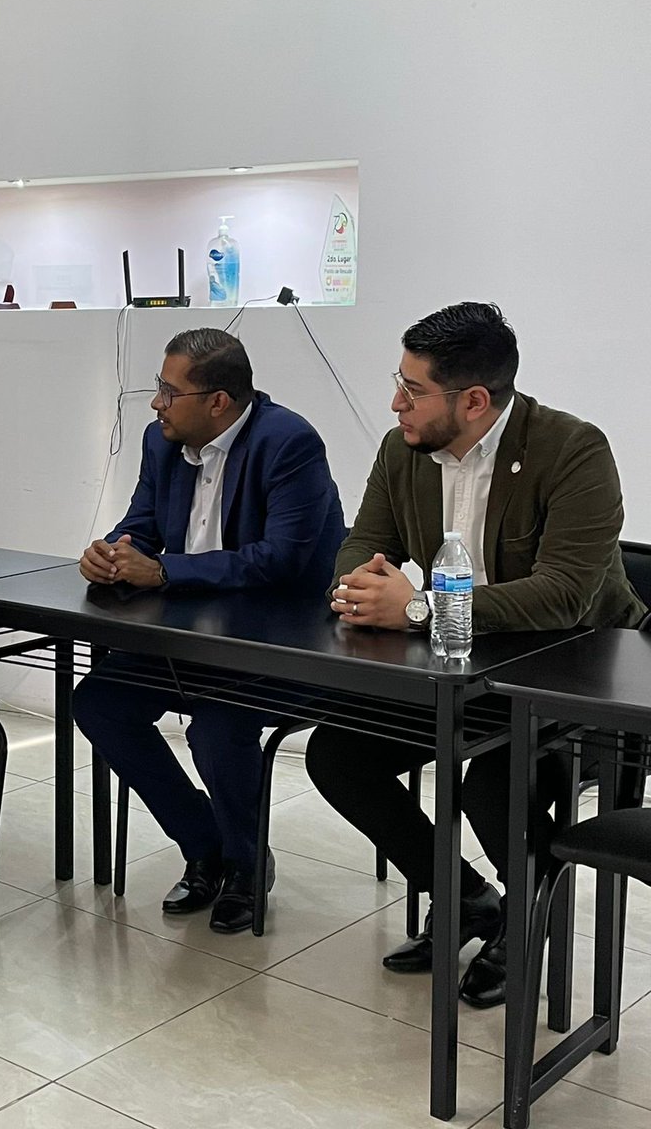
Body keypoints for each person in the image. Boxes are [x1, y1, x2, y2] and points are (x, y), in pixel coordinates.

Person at [305, 301, 645, 1006]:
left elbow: (564, 598)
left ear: (475, 401)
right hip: (463, 670)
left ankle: (526, 925)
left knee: (492, 782)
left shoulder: (573, 450)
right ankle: (463, 898)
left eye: (413, 389)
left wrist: (420, 609)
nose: (394, 402)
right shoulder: (403, 449)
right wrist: (363, 587)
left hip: (574, 676)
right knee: (337, 754)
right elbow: (359, 546)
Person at [74, 328, 344, 933]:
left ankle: (247, 866)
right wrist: (113, 554)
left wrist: (165, 569)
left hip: (281, 645)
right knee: (99, 702)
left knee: (218, 728)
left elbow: (282, 559)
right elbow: (141, 525)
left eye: (169, 392)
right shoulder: (162, 441)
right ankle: (207, 844)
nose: (155, 403)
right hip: (194, 638)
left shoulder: (288, 442)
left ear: (218, 402)